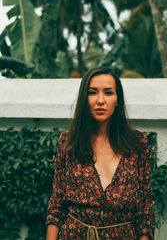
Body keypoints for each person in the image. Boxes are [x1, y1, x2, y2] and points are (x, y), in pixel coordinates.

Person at [46, 67, 153, 240]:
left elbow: (144, 208)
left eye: (109, 93)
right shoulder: (68, 142)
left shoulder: (137, 144)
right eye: (93, 93)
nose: (100, 100)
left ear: (117, 100)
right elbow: (57, 203)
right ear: (84, 99)